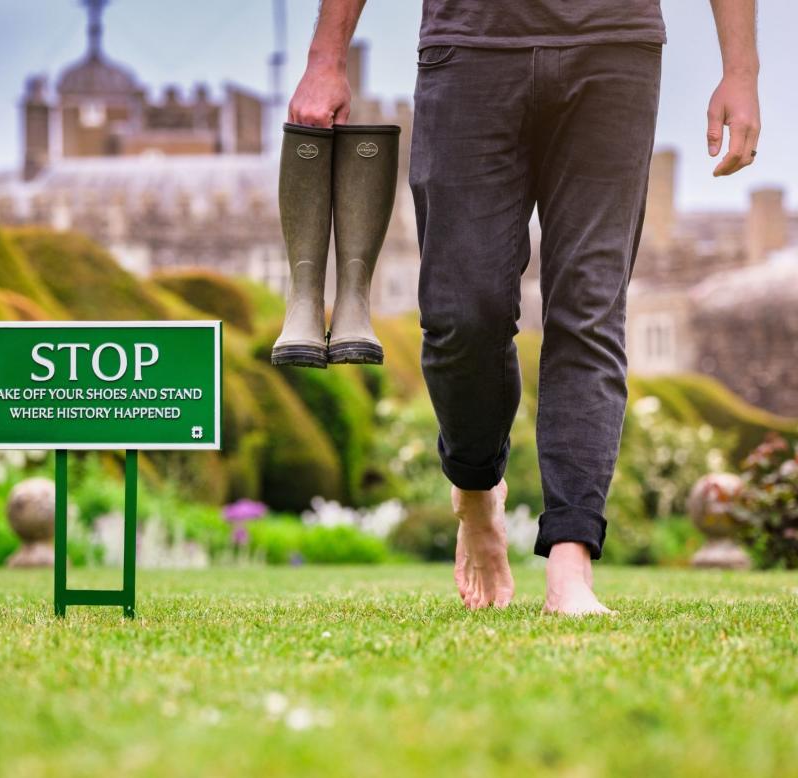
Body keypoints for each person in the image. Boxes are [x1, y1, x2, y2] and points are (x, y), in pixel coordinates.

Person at [289, 1, 761, 615]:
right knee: (463, 313)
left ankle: (571, 563)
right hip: (469, 48)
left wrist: (742, 72)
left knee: (589, 307)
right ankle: (476, 487)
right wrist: (326, 57)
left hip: (613, 44)